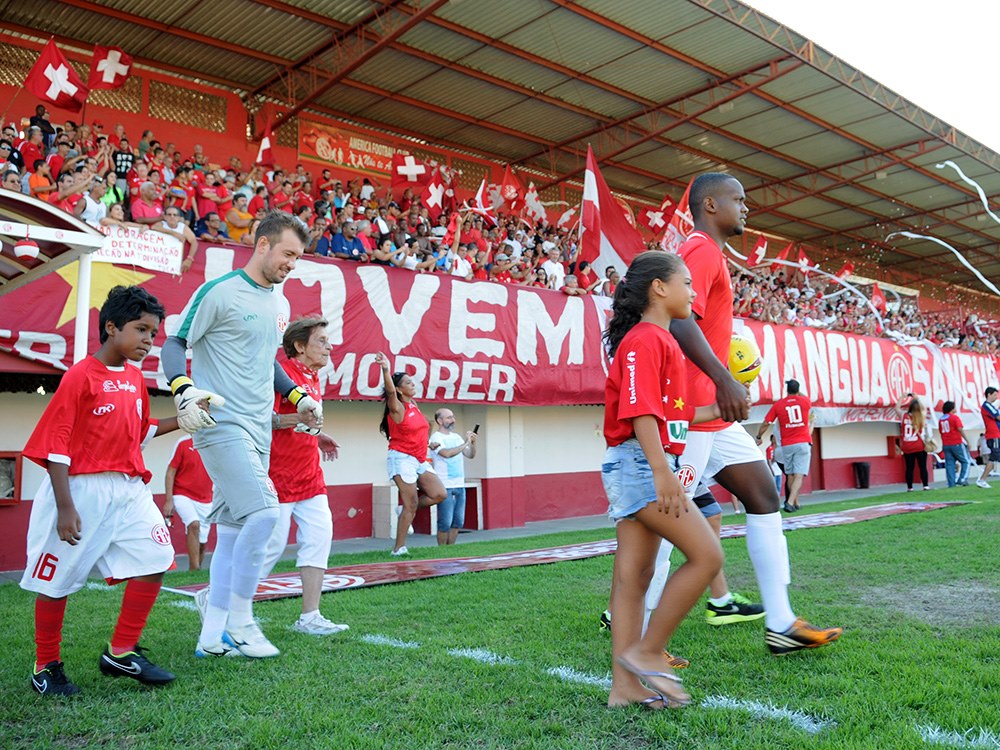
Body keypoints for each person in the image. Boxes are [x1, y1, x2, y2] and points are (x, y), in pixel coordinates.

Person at [667, 172, 841, 655]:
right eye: (738, 199)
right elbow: (678, 317)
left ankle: (781, 622)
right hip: (695, 412)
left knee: (765, 494)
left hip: (713, 416)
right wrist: (724, 378)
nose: (746, 208)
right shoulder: (699, 248)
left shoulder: (708, 251)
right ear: (709, 204)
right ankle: (636, 630)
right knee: (665, 519)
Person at [161, 211, 320, 659]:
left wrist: (297, 396)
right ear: (262, 244)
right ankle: (242, 619)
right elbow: (176, 343)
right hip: (221, 424)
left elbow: (265, 362)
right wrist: (183, 389)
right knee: (267, 515)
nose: (293, 263)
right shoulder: (219, 291)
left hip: (258, 429)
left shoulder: (279, 302)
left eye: (299, 257)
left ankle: (211, 639)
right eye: (288, 253)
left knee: (231, 533)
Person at [20, 286, 178, 696]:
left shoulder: (133, 378)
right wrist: (65, 507)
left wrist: (186, 419)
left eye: (154, 333)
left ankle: (121, 652)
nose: (148, 340)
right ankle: (45, 665)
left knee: (156, 557)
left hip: (128, 486)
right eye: (141, 329)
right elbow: (56, 446)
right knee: (57, 581)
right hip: (80, 488)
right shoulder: (80, 376)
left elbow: (142, 432)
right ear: (111, 327)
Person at [601, 251, 724, 710]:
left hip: (640, 461)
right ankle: (649, 651)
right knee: (708, 554)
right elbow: (639, 412)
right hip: (641, 465)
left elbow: (673, 414)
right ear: (659, 288)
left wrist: (721, 407)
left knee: (634, 578)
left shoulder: (662, 341)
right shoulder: (645, 340)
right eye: (688, 283)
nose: (695, 293)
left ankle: (624, 689)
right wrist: (662, 473)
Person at [260, 317, 349, 636]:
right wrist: (296, 419)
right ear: (300, 346)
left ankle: (310, 616)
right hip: (278, 476)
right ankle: (223, 603)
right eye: (322, 340)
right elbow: (263, 420)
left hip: (310, 475)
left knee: (318, 539)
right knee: (269, 547)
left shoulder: (313, 378)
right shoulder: (279, 373)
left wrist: (318, 433)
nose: (330, 346)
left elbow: (302, 420)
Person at [375, 354, 447, 556]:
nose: (412, 383)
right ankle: (398, 548)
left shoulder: (413, 404)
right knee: (412, 503)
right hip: (401, 458)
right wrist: (386, 370)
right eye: (407, 382)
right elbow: (389, 391)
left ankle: (404, 511)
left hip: (419, 458)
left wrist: (427, 442)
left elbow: (422, 427)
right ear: (399, 389)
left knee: (439, 494)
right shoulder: (396, 407)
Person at [755, 379, 814, 512]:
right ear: (798, 390)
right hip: (803, 442)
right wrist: (798, 392)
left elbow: (766, 422)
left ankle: (792, 502)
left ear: (786, 390)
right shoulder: (805, 401)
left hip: (787, 444)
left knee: (790, 474)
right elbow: (805, 398)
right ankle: (790, 501)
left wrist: (759, 436)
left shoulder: (779, 405)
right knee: (799, 474)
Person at [162, 435, 213, 570]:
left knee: (202, 542)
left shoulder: (215, 443)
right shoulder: (183, 443)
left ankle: (196, 572)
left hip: (206, 498)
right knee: (194, 525)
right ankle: (194, 569)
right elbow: (170, 472)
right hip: (182, 494)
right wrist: (169, 500)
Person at [428, 409, 478, 546]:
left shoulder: (456, 437)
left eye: (453, 417)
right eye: (449, 417)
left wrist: (472, 443)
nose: (453, 420)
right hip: (444, 485)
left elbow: (470, 455)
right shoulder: (436, 438)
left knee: (458, 521)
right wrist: (466, 443)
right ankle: (442, 551)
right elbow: (446, 453)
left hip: (459, 484)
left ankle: (451, 549)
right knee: (445, 522)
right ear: (440, 421)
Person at [892, 394, 932, 492]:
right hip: (919, 445)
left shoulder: (904, 416)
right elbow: (923, 408)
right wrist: (916, 398)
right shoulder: (921, 416)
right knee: (923, 467)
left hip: (907, 446)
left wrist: (902, 397)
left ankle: (910, 487)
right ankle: (925, 485)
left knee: (909, 468)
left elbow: (896, 408)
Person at [939, 400, 971, 488]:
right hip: (956, 442)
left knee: (949, 464)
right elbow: (960, 429)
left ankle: (951, 483)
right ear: (952, 409)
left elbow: (941, 432)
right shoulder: (954, 418)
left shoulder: (941, 419)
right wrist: (967, 441)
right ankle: (962, 479)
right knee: (966, 461)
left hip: (946, 444)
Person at [976, 387, 1000, 488]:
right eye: (995, 395)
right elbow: (998, 416)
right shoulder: (987, 406)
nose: (996, 397)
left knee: (994, 458)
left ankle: (982, 479)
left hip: (996, 434)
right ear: (989, 395)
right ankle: (982, 479)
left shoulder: (991, 406)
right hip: (993, 435)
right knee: (993, 459)